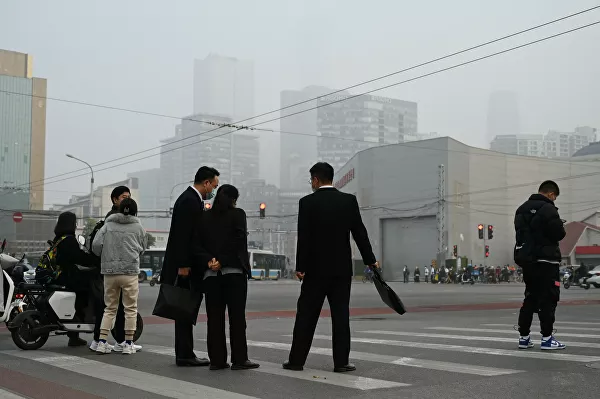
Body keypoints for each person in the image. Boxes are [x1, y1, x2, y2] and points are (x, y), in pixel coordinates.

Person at [284, 162, 378, 373]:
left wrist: (301, 266)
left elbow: (304, 237)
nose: (311, 184)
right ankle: (341, 362)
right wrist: (370, 259)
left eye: (311, 181)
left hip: (315, 271)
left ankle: (297, 361)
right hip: (341, 270)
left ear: (316, 180)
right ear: (331, 178)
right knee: (341, 316)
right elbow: (359, 233)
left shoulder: (307, 203)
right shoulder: (348, 201)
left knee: (306, 315)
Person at [160, 166, 220, 366]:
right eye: (214, 185)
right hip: (185, 268)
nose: (214, 190)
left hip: (188, 265)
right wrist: (184, 265)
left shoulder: (191, 199)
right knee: (185, 309)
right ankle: (185, 355)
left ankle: (186, 353)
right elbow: (183, 236)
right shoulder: (189, 201)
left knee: (186, 309)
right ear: (206, 183)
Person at [199, 184, 260, 371]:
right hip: (234, 273)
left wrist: (211, 261)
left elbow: (197, 244)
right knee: (237, 318)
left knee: (214, 319)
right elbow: (238, 241)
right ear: (234, 199)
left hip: (211, 275)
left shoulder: (204, 216)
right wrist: (223, 261)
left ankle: (217, 360)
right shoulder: (238, 214)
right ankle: (240, 359)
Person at [515, 180, 567, 350]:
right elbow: (558, 234)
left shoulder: (521, 209)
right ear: (551, 194)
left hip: (528, 261)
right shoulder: (549, 209)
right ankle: (547, 339)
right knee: (548, 299)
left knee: (530, 297)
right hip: (547, 261)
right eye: (555, 197)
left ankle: (524, 337)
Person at [92, 198, 147, 355]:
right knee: (130, 308)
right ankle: (127, 343)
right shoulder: (138, 227)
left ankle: (102, 342)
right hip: (130, 272)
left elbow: (96, 245)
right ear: (135, 211)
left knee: (110, 308)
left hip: (110, 272)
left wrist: (105, 255)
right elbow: (143, 247)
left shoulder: (108, 225)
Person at [52, 211, 100, 347]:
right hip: (68, 277)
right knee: (88, 289)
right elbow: (78, 257)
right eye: (75, 222)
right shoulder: (69, 239)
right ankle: (83, 317)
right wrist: (95, 261)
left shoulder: (59, 238)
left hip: (60, 275)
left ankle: (74, 335)